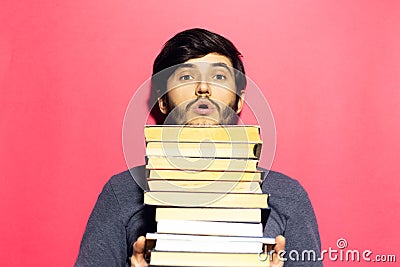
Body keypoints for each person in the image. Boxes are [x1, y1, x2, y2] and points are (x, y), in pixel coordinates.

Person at [75, 28, 322, 267]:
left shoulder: (287, 197)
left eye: (219, 77)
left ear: (239, 101)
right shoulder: (121, 193)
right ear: (162, 100)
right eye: (185, 76)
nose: (203, 88)